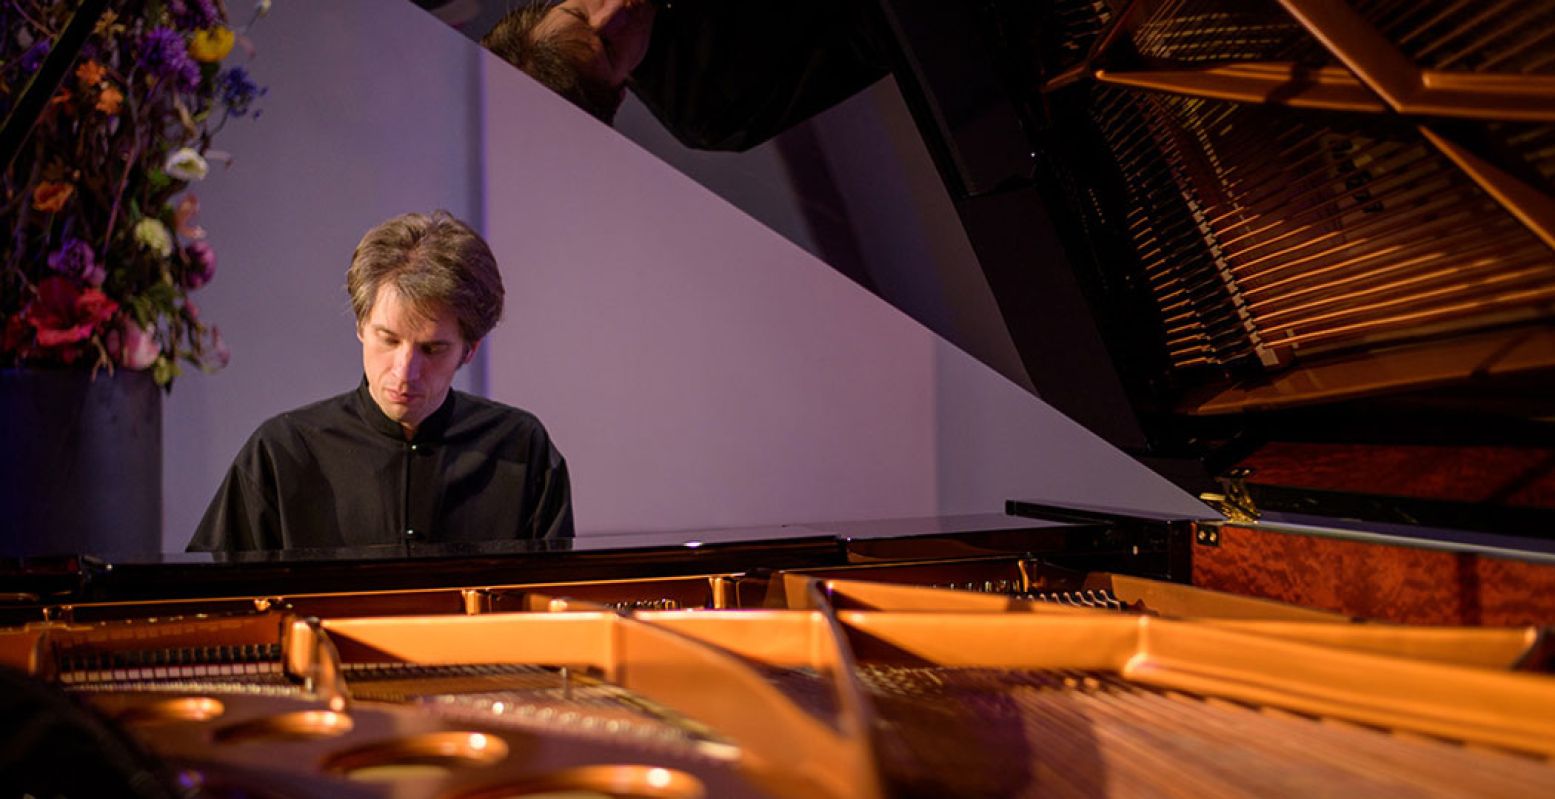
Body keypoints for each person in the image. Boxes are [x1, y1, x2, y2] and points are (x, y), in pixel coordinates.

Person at [187, 211, 573, 552]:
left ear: (469, 349)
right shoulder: (280, 452)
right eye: (388, 339)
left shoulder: (523, 449)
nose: (404, 372)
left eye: (432, 349)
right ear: (360, 326)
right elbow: (211, 614)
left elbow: (555, 612)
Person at [481, 0, 890, 152]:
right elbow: (880, 40)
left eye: (578, 13)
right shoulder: (708, 111)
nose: (615, 12)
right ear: (619, 92)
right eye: (608, 46)